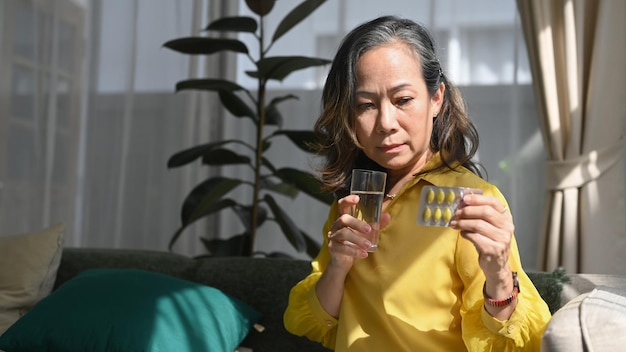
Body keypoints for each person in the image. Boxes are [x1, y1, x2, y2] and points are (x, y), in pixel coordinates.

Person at [283, 15, 551, 351]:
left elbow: (516, 345)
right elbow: (312, 323)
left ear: (436, 98)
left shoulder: (472, 201)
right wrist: (338, 265)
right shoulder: (353, 203)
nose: (385, 123)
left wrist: (498, 274)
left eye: (402, 100)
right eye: (365, 105)